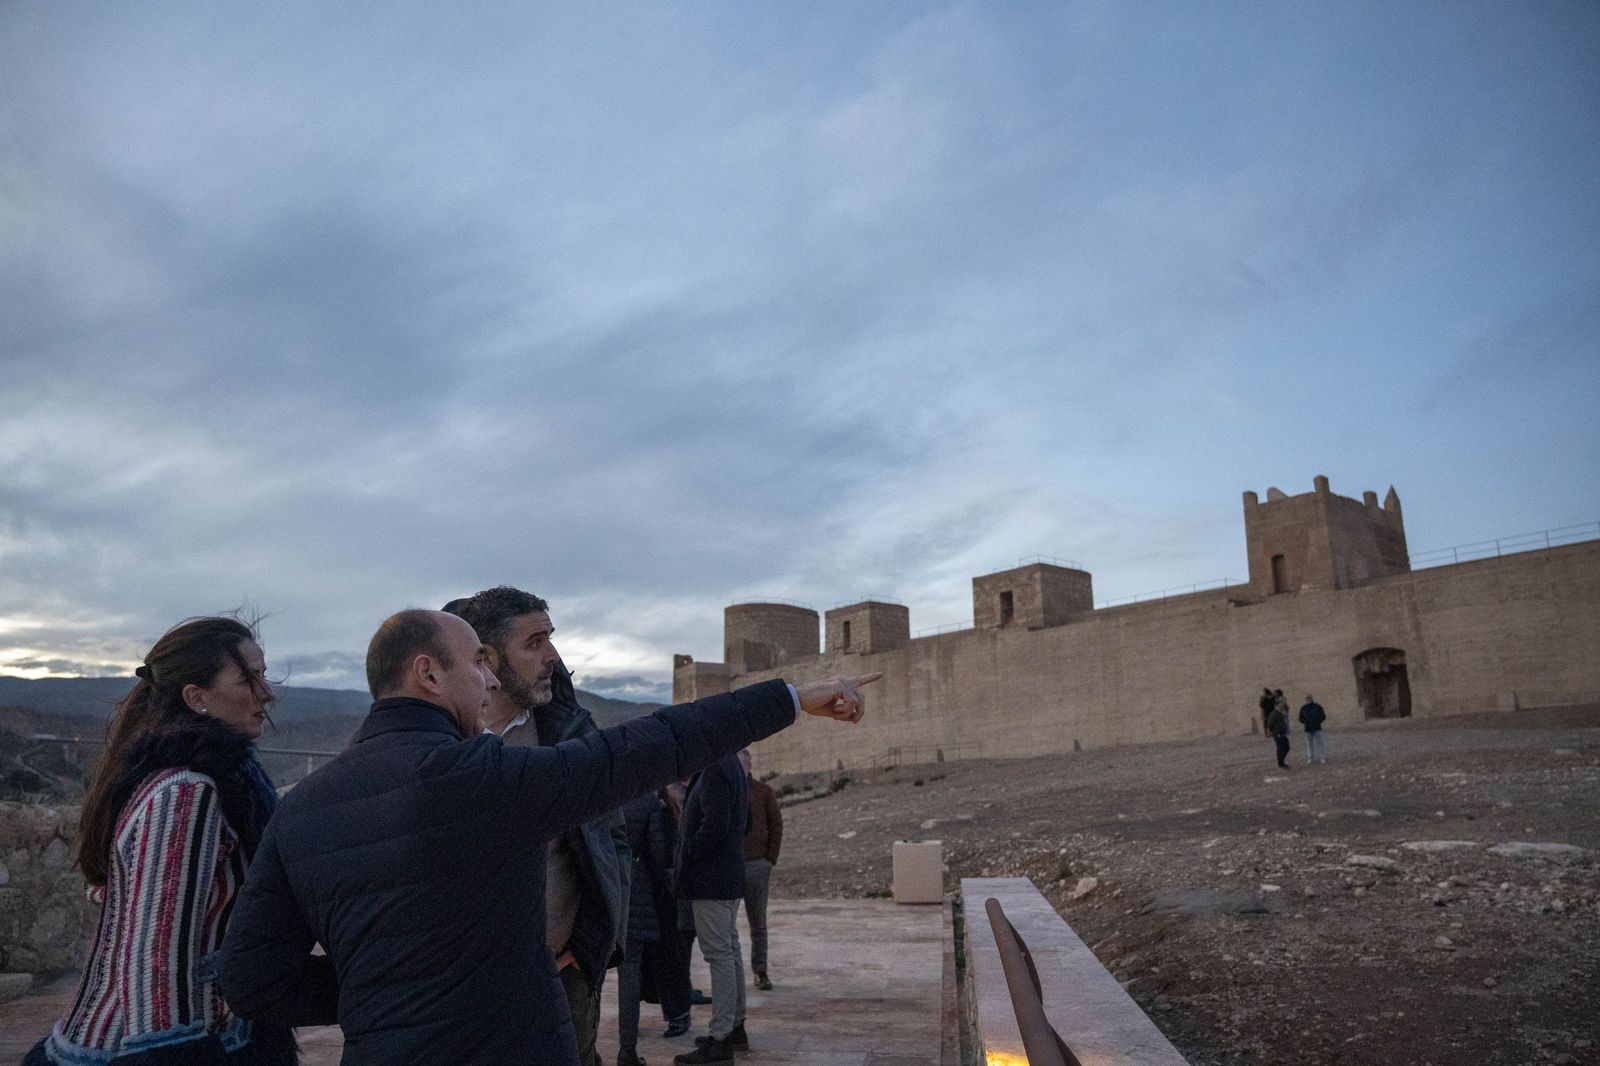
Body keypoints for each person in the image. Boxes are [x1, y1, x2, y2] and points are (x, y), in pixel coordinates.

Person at [219, 609, 876, 1066]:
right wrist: (793, 698)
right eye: (477, 662)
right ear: (427, 674)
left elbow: (249, 978)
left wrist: (381, 990)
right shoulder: (484, 778)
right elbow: (653, 745)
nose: (490, 679)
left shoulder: (299, 810)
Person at [25, 617, 335, 1066]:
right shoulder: (186, 793)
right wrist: (174, 1052)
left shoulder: (212, 781)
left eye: (263, 675)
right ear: (197, 698)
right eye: (249, 679)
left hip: (214, 1036)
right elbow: (156, 961)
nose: (268, 694)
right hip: (160, 1048)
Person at [444, 587, 628, 1066]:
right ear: (486, 656)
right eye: (534, 643)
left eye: (551, 639)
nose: (553, 657)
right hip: (456, 989)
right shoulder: (434, 741)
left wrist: (586, 951)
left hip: (560, 978)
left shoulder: (566, 735)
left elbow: (612, 839)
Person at [673, 753, 749, 1066]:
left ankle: (720, 1040)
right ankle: (734, 1028)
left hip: (711, 880)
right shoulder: (731, 764)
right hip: (726, 878)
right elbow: (743, 823)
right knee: (729, 953)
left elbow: (713, 825)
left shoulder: (716, 766)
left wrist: (687, 853)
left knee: (719, 956)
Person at [615, 790, 673, 1066]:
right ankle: (627, 1050)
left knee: (592, 978)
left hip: (598, 889)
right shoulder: (647, 801)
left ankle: (587, 1047)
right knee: (630, 974)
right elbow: (659, 853)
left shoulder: (601, 793)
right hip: (636, 890)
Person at [738, 749, 782, 992]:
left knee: (758, 922)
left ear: (749, 765)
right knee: (726, 924)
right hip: (731, 865)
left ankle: (760, 970)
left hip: (757, 865)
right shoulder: (726, 791)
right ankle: (729, 973)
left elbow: (776, 824)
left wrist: (769, 859)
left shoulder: (763, 792)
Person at [1298, 694, 1328, 765]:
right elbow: (1300, 718)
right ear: (1306, 699)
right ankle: (1310, 758)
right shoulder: (1303, 708)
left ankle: (1322, 758)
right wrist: (1305, 721)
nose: (1309, 699)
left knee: (1320, 743)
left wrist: (1318, 722)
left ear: (1312, 698)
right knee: (1309, 744)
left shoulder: (1318, 707)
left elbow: (1323, 716)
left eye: (1310, 698)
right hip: (1308, 728)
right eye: (1307, 698)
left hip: (1317, 728)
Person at [1266, 696, 1291, 769]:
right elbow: (1269, 724)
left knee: (1287, 747)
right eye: (1280, 706)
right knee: (1280, 749)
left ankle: (1282, 762)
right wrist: (1274, 732)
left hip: (1283, 733)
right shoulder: (1274, 714)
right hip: (1278, 734)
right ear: (1276, 706)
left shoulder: (1280, 713)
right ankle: (1280, 763)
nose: (1281, 707)